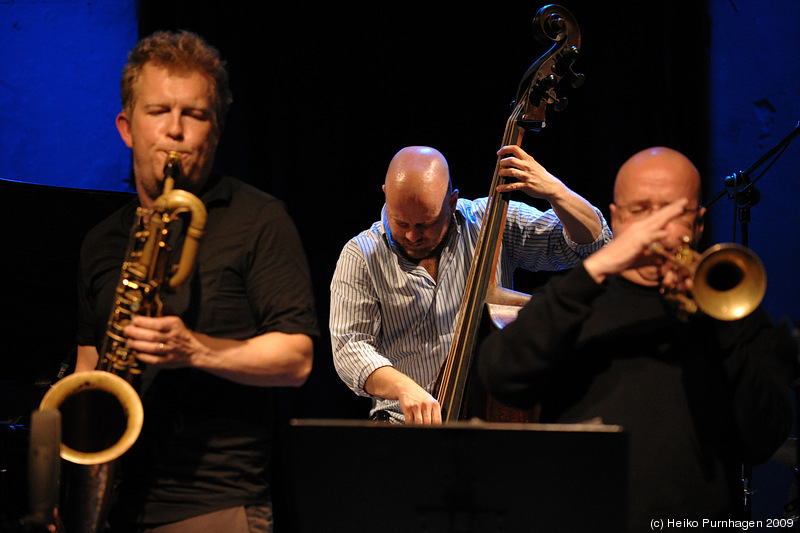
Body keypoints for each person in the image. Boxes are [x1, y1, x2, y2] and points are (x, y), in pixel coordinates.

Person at [73, 31, 318, 532]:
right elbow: (87, 368)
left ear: (216, 130)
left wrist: (195, 349)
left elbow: (297, 358)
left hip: (214, 504)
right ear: (127, 127)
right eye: (159, 111)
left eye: (195, 114)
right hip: (110, 504)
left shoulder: (260, 220)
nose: (175, 131)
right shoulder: (100, 240)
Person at [477, 146, 796, 530]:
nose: (656, 228)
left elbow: (762, 438)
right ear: (616, 218)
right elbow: (500, 375)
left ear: (697, 224)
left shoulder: (732, 305)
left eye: (673, 211)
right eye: (641, 211)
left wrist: (720, 320)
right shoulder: (574, 300)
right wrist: (595, 267)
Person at [330, 145, 612, 424]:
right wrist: (404, 387)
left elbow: (593, 246)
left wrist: (555, 191)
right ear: (385, 196)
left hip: (493, 420)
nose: (413, 235)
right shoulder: (361, 256)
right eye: (401, 222)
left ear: (452, 203)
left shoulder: (490, 222)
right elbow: (350, 346)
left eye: (426, 224)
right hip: (404, 425)